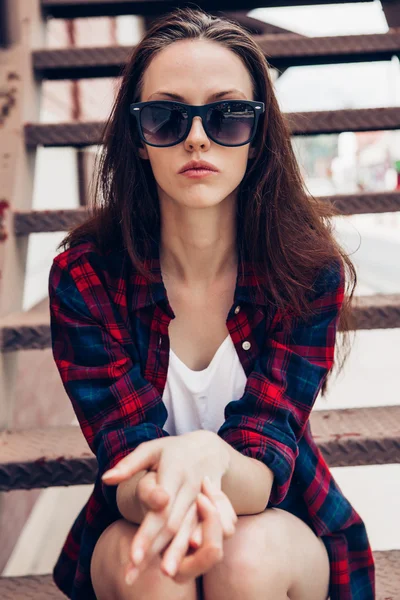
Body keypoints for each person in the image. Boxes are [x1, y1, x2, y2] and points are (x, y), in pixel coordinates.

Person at [48, 7, 375, 600]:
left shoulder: (306, 274)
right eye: (167, 116)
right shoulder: (85, 277)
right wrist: (166, 490)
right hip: (136, 516)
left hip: (276, 516)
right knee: (156, 564)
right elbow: (122, 462)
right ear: (139, 138)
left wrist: (205, 456)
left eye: (226, 116)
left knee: (243, 560)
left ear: (256, 137)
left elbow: (267, 460)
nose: (197, 137)